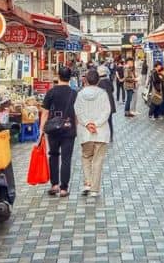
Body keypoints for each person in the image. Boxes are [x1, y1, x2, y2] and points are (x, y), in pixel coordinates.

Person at [39, 66, 78, 197]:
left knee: (53, 155)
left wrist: (41, 130)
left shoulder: (51, 92)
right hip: (69, 129)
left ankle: (54, 185)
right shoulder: (74, 93)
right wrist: (76, 127)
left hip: (53, 130)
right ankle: (64, 189)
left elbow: (44, 113)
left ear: (58, 76)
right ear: (70, 77)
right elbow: (77, 114)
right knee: (66, 159)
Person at [74, 69, 112, 197]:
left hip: (85, 133)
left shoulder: (80, 94)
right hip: (101, 132)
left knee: (86, 157)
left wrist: (87, 124)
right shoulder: (103, 94)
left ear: (85, 80)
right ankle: (94, 189)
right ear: (98, 80)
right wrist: (96, 124)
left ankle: (88, 183)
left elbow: (78, 111)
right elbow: (107, 111)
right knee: (98, 160)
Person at [96, 65, 116, 140]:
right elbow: (113, 90)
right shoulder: (108, 81)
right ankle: (110, 136)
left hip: (103, 105)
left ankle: (104, 136)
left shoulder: (99, 83)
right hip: (110, 104)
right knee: (109, 121)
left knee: (102, 121)